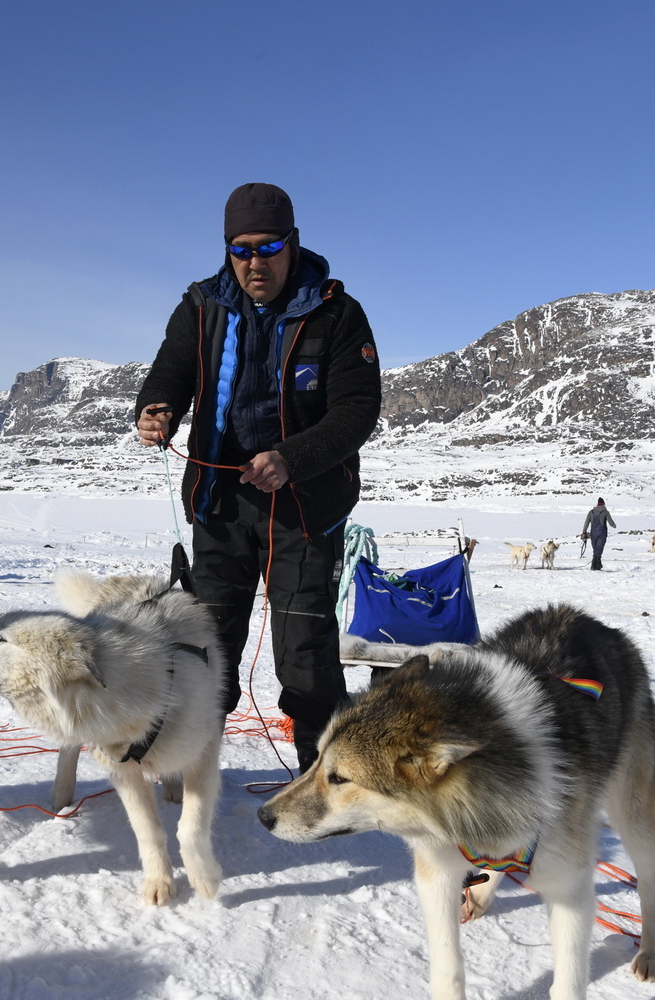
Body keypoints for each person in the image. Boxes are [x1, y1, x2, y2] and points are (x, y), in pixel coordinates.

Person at [135, 182, 382, 771]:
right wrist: (158, 407)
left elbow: (356, 411)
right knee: (207, 638)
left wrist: (290, 458)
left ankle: (324, 774)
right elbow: (171, 369)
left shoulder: (336, 313)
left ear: (292, 243)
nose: (253, 262)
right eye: (240, 249)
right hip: (220, 502)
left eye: (267, 247)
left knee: (304, 649)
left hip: (303, 506)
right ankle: (192, 766)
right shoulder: (200, 306)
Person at [580, 497, 616, 571]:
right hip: (602, 533)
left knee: (595, 549)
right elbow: (611, 523)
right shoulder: (605, 512)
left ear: (597, 504)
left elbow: (586, 522)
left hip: (593, 534)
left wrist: (584, 531)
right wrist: (614, 526)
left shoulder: (591, 512)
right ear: (603, 504)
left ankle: (596, 565)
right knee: (599, 549)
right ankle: (596, 565)